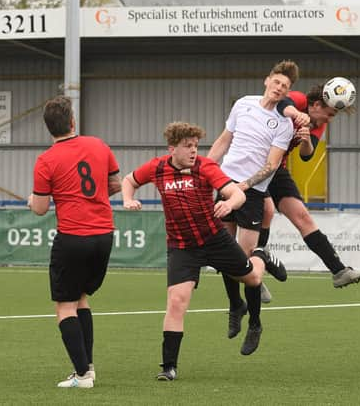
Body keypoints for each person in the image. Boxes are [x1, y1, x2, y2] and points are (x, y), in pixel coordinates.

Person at [122, 121, 273, 381]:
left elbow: (236, 194)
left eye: (196, 146)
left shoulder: (205, 167)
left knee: (253, 279)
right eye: (187, 146)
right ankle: (168, 367)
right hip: (182, 247)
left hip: (215, 240)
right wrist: (127, 198)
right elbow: (129, 180)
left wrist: (230, 204)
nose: (194, 151)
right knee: (176, 302)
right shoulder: (157, 168)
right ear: (172, 149)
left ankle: (261, 254)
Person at [28, 95, 121, 388]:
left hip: (73, 237)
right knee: (81, 298)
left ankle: (82, 376)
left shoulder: (46, 160)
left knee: (64, 306)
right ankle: (88, 369)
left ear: (49, 128)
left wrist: (32, 200)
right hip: (104, 235)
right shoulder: (99, 145)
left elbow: (41, 208)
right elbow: (116, 184)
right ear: (72, 122)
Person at [207, 60, 297, 347]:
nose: (279, 88)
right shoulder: (243, 104)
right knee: (224, 255)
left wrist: (244, 186)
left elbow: (272, 164)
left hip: (252, 192)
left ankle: (255, 323)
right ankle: (236, 306)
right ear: (266, 80)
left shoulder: (284, 124)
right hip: (224, 183)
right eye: (277, 82)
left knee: (244, 264)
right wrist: (206, 170)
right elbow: (224, 139)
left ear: (287, 92)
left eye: (285, 87)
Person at [261, 84, 360, 288]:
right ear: (316, 104)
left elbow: (306, 155)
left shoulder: (319, 123)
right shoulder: (299, 100)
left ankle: (339, 271)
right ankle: (254, 270)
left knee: (303, 217)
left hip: (277, 169)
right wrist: (298, 116)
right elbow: (282, 103)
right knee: (262, 215)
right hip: (252, 164)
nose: (329, 119)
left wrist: (305, 140)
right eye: (330, 113)